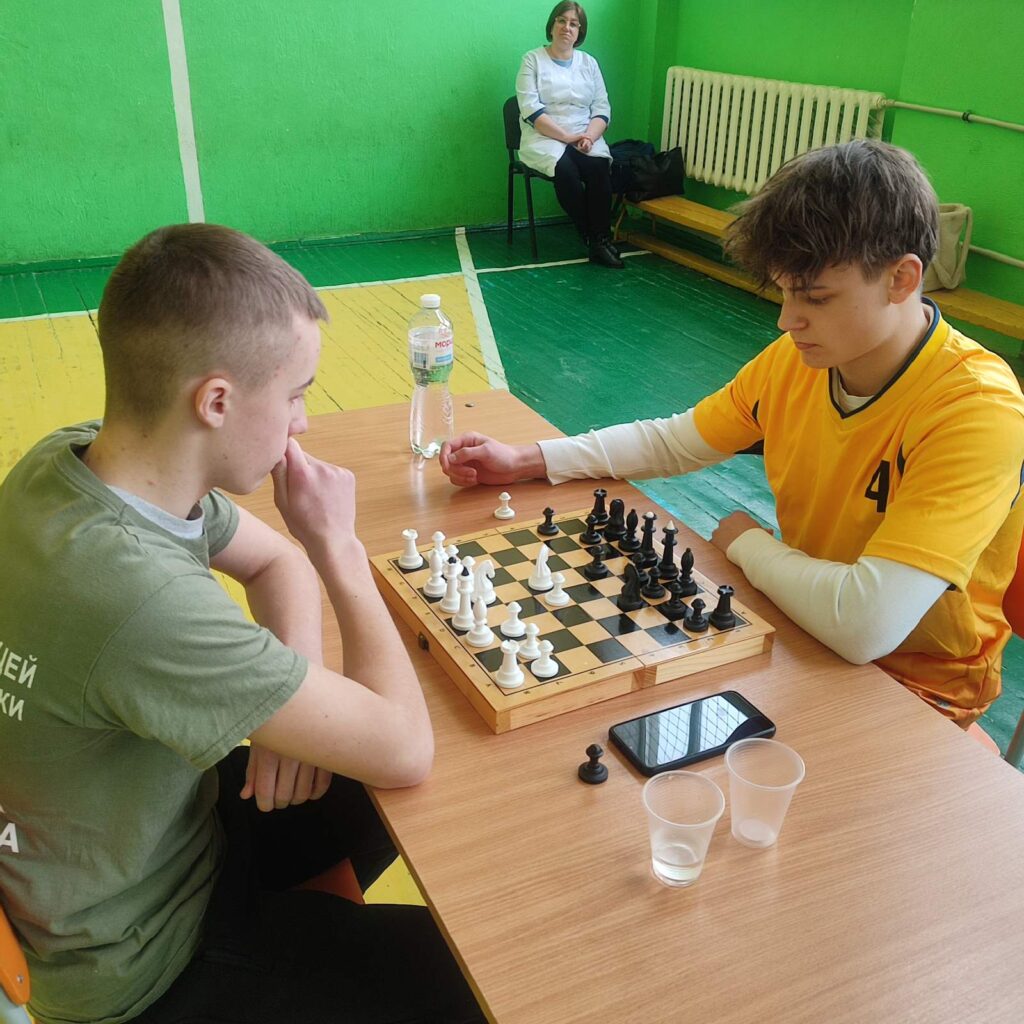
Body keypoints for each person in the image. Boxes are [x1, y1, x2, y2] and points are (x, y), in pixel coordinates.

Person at [0, 224, 483, 1024]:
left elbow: (273, 564)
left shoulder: (73, 462)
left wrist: (286, 706)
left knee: (395, 754)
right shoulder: (141, 600)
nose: (303, 423)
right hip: (144, 956)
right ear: (216, 401)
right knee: (472, 984)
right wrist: (340, 547)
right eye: (295, 395)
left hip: (156, 837)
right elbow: (404, 747)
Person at [440, 139, 1024, 729]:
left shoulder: (975, 409)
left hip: (919, 687)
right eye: (784, 290)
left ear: (901, 278)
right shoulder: (799, 359)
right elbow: (673, 442)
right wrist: (526, 459)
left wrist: (748, 543)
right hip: (800, 620)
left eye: (816, 297)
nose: (787, 319)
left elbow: (863, 624)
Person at [516, 1, 623, 269]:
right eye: (562, 21)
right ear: (552, 25)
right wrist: (566, 137)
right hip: (544, 136)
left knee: (599, 168)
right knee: (566, 172)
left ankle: (598, 240)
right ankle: (596, 239)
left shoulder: (589, 63)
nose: (567, 27)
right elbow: (531, 109)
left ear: (579, 32)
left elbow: (601, 107)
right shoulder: (532, 60)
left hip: (584, 134)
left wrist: (589, 136)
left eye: (574, 24)